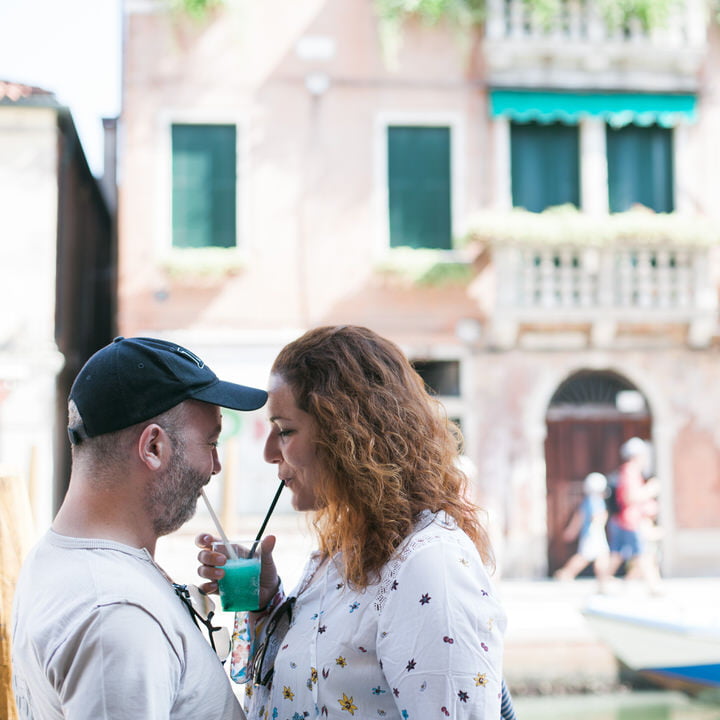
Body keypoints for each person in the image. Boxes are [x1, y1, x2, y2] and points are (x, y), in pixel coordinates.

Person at [197, 325, 506, 720]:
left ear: (346, 433)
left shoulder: (430, 566)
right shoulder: (342, 553)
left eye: (285, 430)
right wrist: (267, 602)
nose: (269, 452)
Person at [11, 336, 268, 719]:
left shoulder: (57, 558)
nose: (215, 467)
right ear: (153, 448)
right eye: (210, 443)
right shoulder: (116, 615)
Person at [606, 436, 662, 593]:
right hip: (630, 520)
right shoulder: (630, 471)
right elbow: (630, 497)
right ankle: (653, 586)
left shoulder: (628, 471)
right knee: (643, 553)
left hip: (624, 520)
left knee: (618, 554)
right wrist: (650, 489)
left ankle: (603, 584)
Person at [553, 472, 610, 592]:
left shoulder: (588, 500)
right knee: (585, 557)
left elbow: (579, 517)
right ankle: (566, 573)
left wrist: (572, 531)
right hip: (594, 534)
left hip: (592, 534)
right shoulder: (595, 500)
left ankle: (603, 581)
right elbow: (596, 517)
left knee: (600, 557)